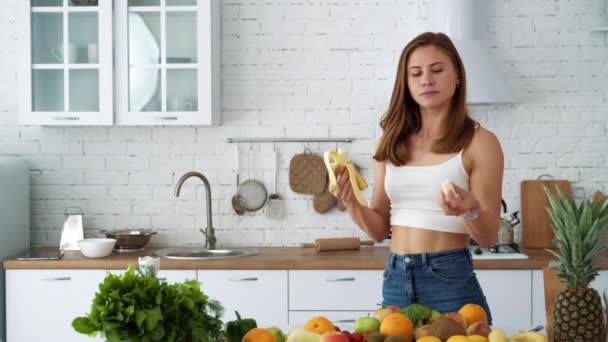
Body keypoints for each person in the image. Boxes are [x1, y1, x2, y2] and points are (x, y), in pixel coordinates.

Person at [329, 32, 503, 324]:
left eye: (437, 70)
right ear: (406, 82)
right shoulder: (389, 142)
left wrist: (469, 209)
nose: (426, 80)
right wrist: (351, 203)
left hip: (449, 278)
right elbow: (378, 228)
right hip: (395, 276)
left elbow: (487, 236)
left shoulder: (480, 142)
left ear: (457, 76)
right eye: (416, 73)